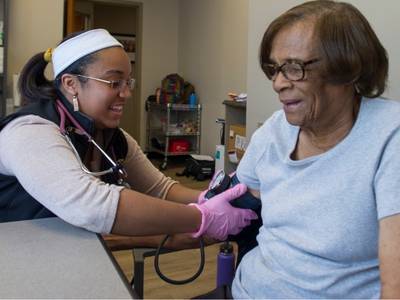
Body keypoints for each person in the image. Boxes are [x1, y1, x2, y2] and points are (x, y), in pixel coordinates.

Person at [0, 29, 257, 247]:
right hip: (19, 264)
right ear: (70, 84)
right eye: (113, 83)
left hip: (72, 257)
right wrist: (201, 217)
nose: (126, 93)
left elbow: (160, 189)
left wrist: (207, 198)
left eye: (128, 82)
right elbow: (93, 206)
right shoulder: (29, 132)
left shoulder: (114, 138)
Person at [231, 1, 400, 298]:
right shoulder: (273, 131)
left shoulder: (390, 135)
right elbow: (236, 203)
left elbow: (394, 287)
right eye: (275, 69)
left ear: (348, 69)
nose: (278, 83)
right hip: (246, 289)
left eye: (295, 68)